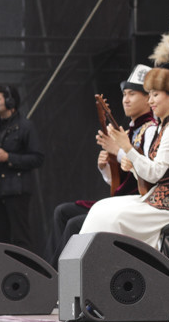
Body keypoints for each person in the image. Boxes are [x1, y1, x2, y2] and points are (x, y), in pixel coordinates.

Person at [80, 23, 169, 248]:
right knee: (100, 208)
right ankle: (93, 262)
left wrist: (127, 148)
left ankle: (116, 262)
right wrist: (130, 164)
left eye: (155, 95)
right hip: (159, 198)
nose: (150, 101)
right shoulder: (162, 127)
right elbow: (148, 173)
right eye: (150, 95)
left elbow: (155, 174)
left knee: (114, 217)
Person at [45, 64, 158, 266]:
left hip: (137, 205)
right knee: (62, 212)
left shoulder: (151, 130)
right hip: (122, 201)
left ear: (148, 98)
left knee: (74, 223)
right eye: (124, 94)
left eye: (132, 94)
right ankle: (50, 271)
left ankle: (58, 276)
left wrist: (118, 151)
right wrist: (107, 166)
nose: (126, 99)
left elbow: (148, 174)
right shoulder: (130, 131)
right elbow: (122, 181)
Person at [0, 84, 44, 252]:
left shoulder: (25, 126)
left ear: (10, 101)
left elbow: (37, 158)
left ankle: (25, 267)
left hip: (16, 191)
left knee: (20, 237)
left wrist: (9, 157)